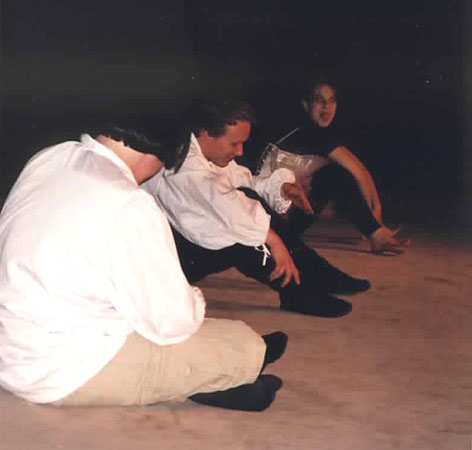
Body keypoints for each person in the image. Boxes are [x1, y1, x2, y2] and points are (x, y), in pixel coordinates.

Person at [0, 120, 288, 412]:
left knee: (160, 318)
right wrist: (191, 298)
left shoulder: (53, 157)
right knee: (240, 343)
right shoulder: (128, 202)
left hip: (12, 349)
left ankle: (218, 373)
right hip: (63, 370)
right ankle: (231, 372)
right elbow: (174, 323)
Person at [145, 98, 371, 319]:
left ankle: (313, 272)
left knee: (247, 205)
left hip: (186, 244)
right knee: (240, 227)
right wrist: (275, 242)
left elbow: (240, 180)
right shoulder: (186, 166)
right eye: (234, 144)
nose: (240, 152)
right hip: (173, 262)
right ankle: (297, 291)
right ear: (206, 134)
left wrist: (282, 188)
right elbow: (228, 207)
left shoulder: (199, 149)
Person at [267, 78, 408, 254]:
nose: (326, 107)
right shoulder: (311, 133)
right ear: (306, 105)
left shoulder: (311, 132)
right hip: (271, 223)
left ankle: (375, 232)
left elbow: (361, 172)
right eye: (319, 100)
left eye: (332, 101)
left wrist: (375, 217)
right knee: (335, 174)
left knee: (331, 175)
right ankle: (376, 235)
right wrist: (376, 221)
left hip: (281, 218)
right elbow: (358, 173)